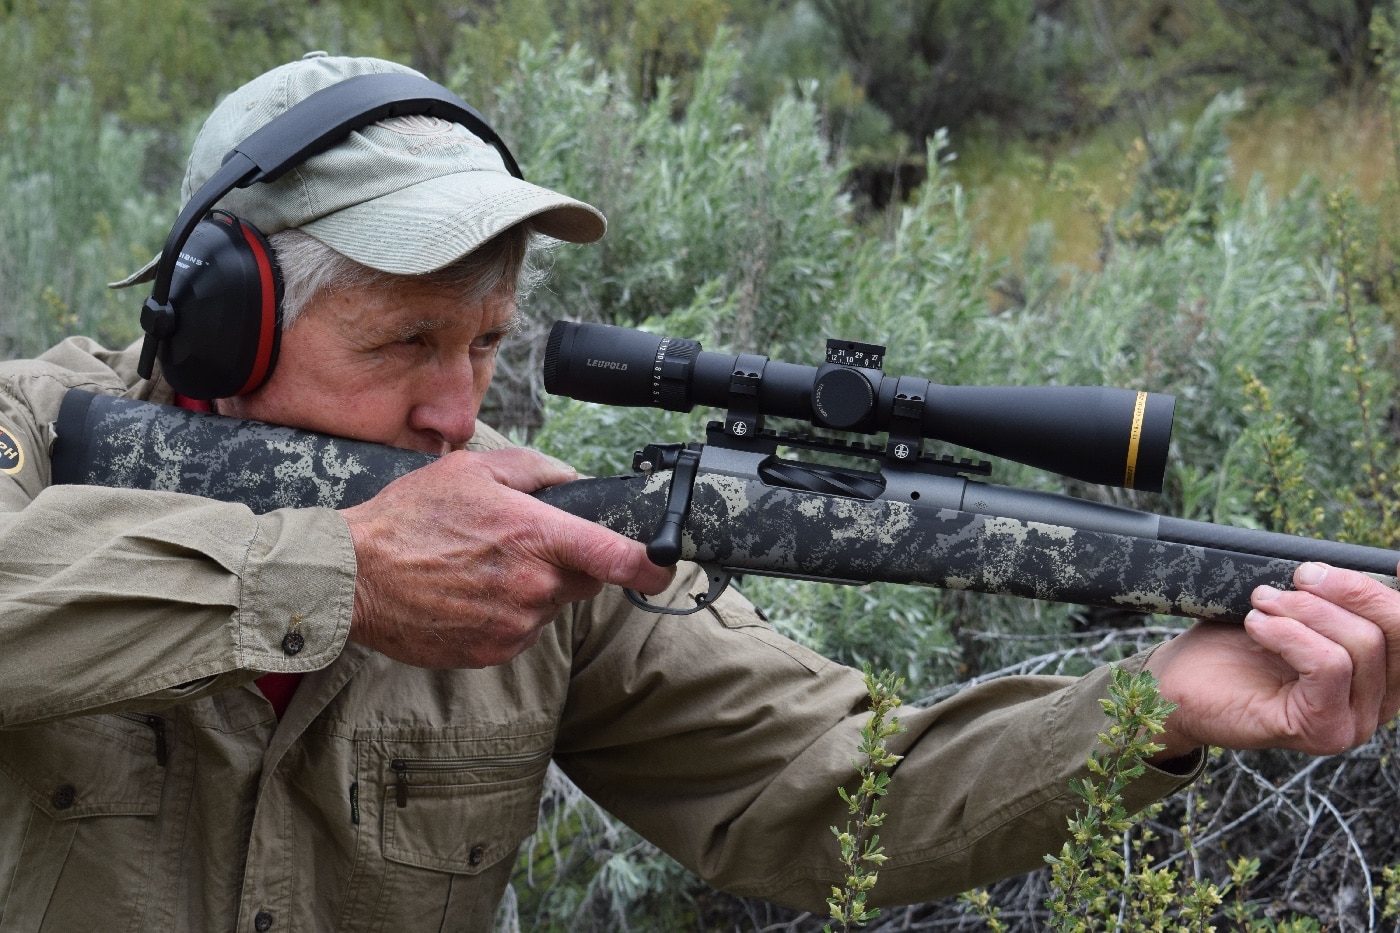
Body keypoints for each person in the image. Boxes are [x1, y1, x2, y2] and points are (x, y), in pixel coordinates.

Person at [0, 52, 1396, 933]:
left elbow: (831, 794)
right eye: (405, 344)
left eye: (485, 342)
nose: (458, 405)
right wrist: (334, 574)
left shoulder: (529, 545)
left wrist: (1156, 705)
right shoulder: (35, 429)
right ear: (219, 318)